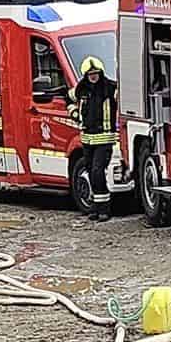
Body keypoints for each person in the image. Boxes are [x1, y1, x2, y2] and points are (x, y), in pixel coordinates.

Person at [71, 57, 119, 221]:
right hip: (87, 139)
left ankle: (105, 209)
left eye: (96, 73)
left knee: (98, 172)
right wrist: (74, 114)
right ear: (85, 75)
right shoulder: (81, 89)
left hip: (104, 139)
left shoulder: (110, 88)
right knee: (91, 172)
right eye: (90, 74)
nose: (93, 76)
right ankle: (96, 209)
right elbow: (70, 100)